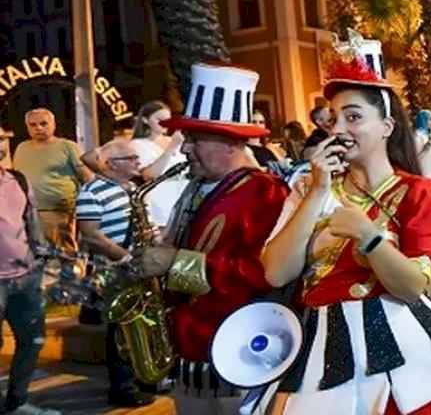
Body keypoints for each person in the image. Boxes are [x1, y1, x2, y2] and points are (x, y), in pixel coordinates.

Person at [258, 37, 431, 415]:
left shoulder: (417, 192)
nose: (339, 128)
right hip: (320, 352)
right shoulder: (307, 188)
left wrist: (369, 239)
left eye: (353, 117)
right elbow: (276, 272)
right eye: (333, 118)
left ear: (386, 126)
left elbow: (413, 286)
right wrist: (317, 193)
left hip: (402, 353)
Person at [127, 63, 291, 414]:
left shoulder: (266, 193)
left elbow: (263, 274)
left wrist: (175, 263)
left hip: (237, 360)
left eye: (195, 140)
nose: (184, 150)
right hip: (191, 354)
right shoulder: (195, 188)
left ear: (230, 142)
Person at [74, 139, 155, 408]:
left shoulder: (132, 189)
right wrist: (126, 258)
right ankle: (122, 388)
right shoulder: (91, 192)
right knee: (121, 330)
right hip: (116, 271)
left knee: (145, 324)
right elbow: (91, 235)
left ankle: (146, 377)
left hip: (141, 266)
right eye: (130, 158)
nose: (137, 162)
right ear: (111, 164)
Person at [0, 142, 59, 415]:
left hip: (26, 277)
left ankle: (17, 402)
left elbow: (30, 221)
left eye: (2, 137)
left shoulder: (18, 180)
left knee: (32, 340)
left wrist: (40, 258)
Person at [13, 109, 92, 253]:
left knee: (64, 254)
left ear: (53, 124)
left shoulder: (67, 146)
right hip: (27, 213)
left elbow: (87, 178)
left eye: (43, 124)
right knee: (34, 255)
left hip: (59, 212)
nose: (38, 128)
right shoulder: (21, 148)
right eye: (33, 125)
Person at [129, 101, 188, 231]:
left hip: (183, 202)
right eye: (160, 120)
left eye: (168, 120)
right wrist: (171, 147)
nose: (165, 124)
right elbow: (149, 175)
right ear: (145, 120)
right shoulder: (138, 144)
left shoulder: (176, 140)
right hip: (160, 203)